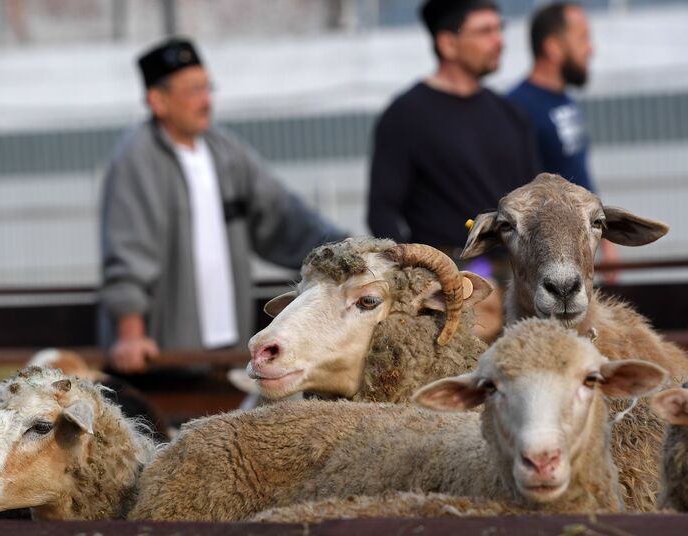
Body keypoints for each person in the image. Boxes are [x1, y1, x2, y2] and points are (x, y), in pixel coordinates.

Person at [99, 37, 347, 374]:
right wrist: (130, 335)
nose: (206, 101)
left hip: (230, 347)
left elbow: (282, 214)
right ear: (157, 101)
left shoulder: (225, 151)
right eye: (193, 91)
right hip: (165, 354)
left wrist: (344, 254)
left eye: (207, 88)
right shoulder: (137, 157)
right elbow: (128, 254)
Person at [367, 0, 539, 342]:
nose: (500, 40)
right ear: (447, 43)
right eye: (485, 31)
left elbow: (534, 199)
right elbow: (381, 211)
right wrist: (420, 280)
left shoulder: (510, 115)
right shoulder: (405, 116)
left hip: (520, 280)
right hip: (447, 286)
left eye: (499, 28)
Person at [507, 2, 619, 276]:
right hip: (548, 263)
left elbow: (578, 175)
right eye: (582, 38)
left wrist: (605, 241)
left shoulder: (565, 101)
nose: (590, 48)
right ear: (553, 47)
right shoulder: (517, 108)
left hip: (578, 251)